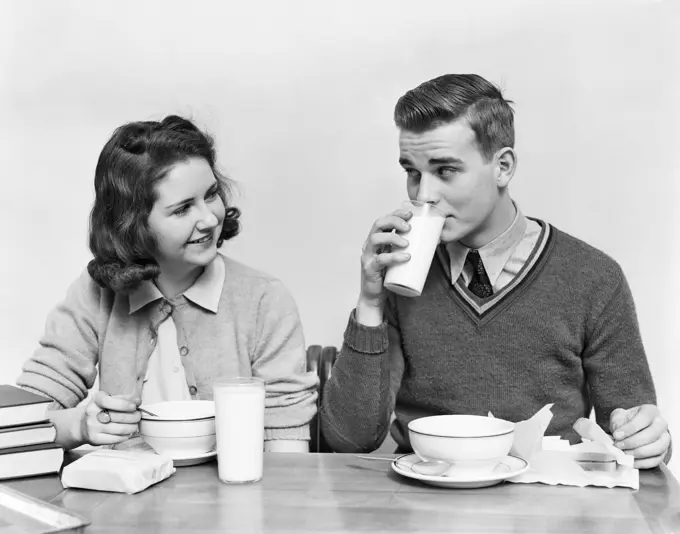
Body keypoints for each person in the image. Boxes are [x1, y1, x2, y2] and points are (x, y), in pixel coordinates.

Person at [320, 74, 671, 468]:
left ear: (502, 167)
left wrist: (647, 440)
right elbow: (351, 440)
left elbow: (633, 432)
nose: (423, 195)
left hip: (545, 507)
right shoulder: (401, 273)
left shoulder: (593, 278)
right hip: (421, 505)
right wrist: (370, 301)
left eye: (446, 170)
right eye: (413, 172)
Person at [17, 115, 317, 452]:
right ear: (134, 223)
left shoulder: (265, 300)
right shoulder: (95, 293)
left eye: (212, 194)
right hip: (124, 503)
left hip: (236, 500)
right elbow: (20, 422)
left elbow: (288, 452)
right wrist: (81, 425)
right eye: (183, 208)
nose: (208, 218)